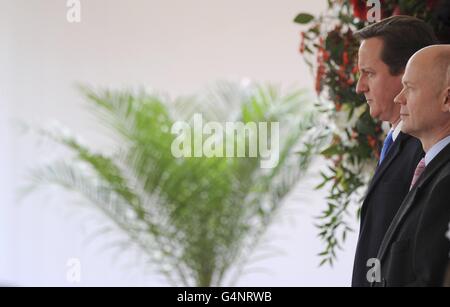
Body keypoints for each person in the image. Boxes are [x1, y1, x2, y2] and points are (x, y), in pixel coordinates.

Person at [351, 16, 439, 287]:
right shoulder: (395, 142)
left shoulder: (427, 149)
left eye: (370, 73)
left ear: (407, 75)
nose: (359, 86)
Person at [375, 45, 450, 286]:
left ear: (447, 99)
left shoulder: (446, 181)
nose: (399, 98)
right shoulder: (433, 168)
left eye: (410, 88)